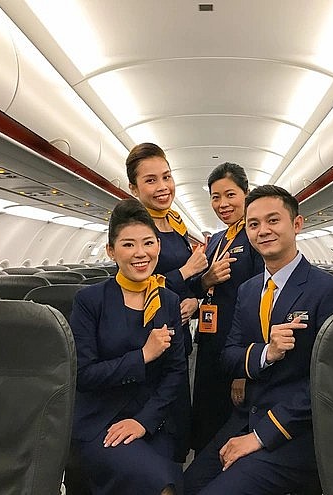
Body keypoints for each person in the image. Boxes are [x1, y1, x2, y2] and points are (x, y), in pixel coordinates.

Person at [184, 185, 333, 494]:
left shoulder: (330, 292)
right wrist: (266, 353)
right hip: (245, 418)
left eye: (273, 220)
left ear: (297, 224)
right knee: (188, 484)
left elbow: (331, 382)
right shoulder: (249, 290)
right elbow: (230, 356)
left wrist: (260, 436)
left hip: (295, 432)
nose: (263, 230)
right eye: (254, 224)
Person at [69, 198, 186, 494]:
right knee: (161, 486)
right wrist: (143, 356)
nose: (140, 253)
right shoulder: (90, 301)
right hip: (102, 421)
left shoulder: (168, 301)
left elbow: (176, 373)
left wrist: (144, 422)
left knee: (173, 480)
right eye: (128, 244)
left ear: (158, 245)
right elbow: (84, 374)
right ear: (111, 250)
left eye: (148, 243)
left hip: (153, 420)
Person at [126, 142, 208, 462]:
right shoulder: (134, 228)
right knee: (152, 429)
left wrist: (195, 300)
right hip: (146, 336)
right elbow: (137, 284)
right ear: (134, 189)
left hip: (178, 337)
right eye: (151, 180)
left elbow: (184, 285)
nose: (163, 186)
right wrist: (186, 271)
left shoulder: (175, 223)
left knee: (177, 426)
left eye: (167, 176)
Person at [188, 162, 264, 454]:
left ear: (246, 193)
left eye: (230, 195)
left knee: (230, 420)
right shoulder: (217, 240)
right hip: (210, 341)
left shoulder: (255, 237)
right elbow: (199, 286)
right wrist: (205, 279)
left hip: (238, 347)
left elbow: (260, 307)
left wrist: (245, 370)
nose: (222, 204)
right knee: (206, 416)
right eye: (215, 197)